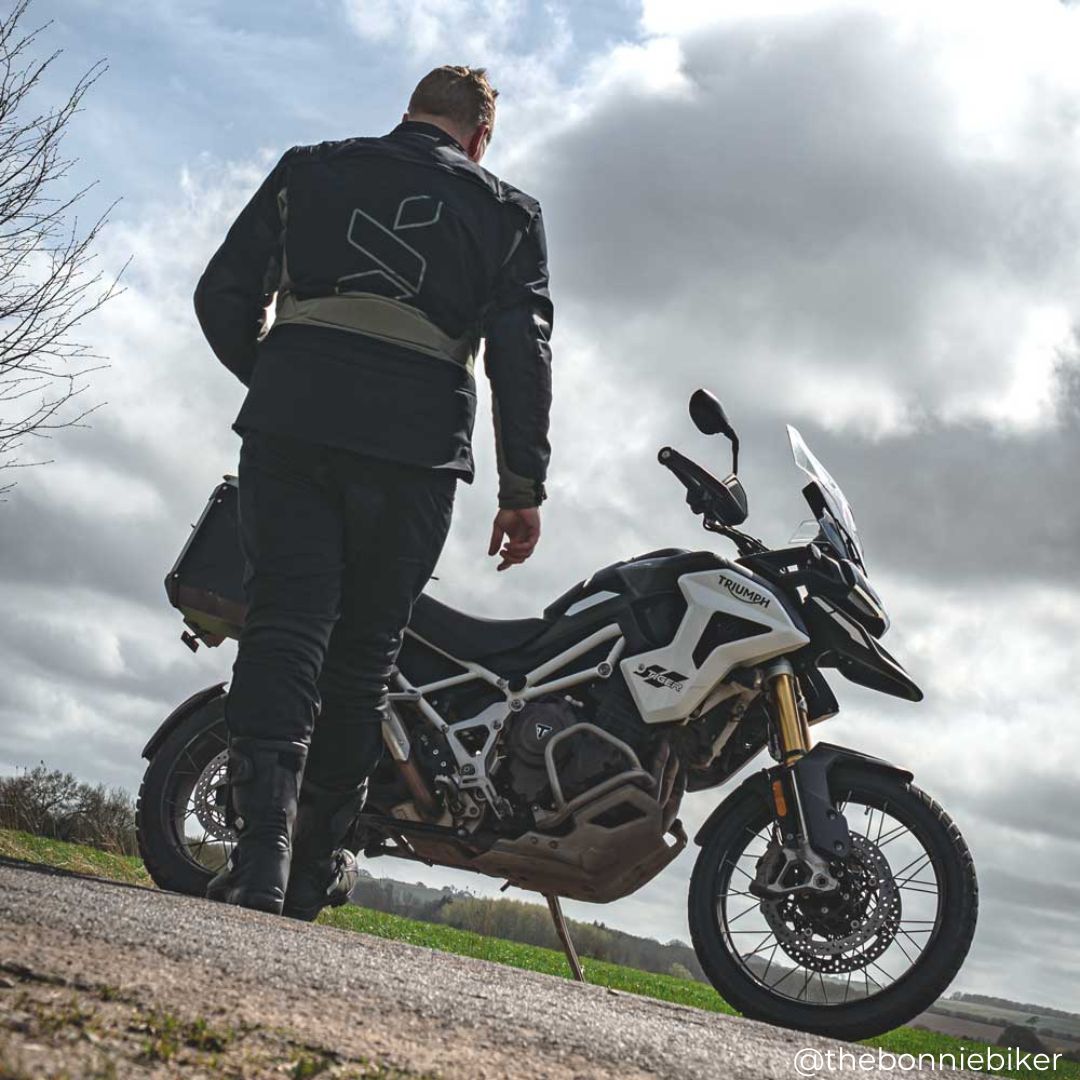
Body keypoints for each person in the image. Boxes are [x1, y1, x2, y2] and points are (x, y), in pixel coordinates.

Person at [192, 65, 553, 919]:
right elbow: (521, 355)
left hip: (294, 430)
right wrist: (522, 486)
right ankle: (316, 865)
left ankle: (258, 862)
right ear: (480, 137)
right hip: (416, 452)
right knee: (363, 659)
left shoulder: (310, 168)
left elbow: (222, 294)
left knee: (283, 631)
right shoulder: (507, 213)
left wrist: (279, 377)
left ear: (411, 112)